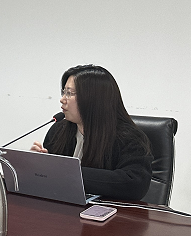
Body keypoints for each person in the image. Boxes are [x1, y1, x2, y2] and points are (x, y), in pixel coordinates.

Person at [31, 64, 152, 201]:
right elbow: (52, 179)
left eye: (69, 93)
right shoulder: (59, 130)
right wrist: (39, 165)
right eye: (63, 92)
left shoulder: (129, 138)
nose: (62, 99)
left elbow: (134, 184)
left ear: (93, 99)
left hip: (106, 211)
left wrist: (69, 173)